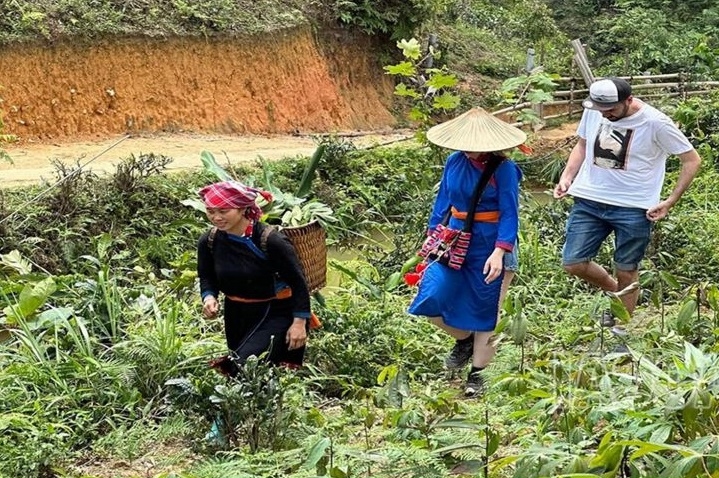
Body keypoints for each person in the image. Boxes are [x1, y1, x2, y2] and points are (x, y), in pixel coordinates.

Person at [553, 77, 701, 335]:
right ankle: (615, 292)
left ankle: (621, 331)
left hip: (633, 207)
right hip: (589, 199)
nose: (605, 114)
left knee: (627, 269)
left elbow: (691, 160)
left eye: (610, 109)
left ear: (629, 100)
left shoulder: (655, 122)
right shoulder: (594, 111)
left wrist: (670, 201)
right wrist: (567, 177)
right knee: (573, 262)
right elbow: (583, 144)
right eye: (601, 109)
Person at [408, 107, 526, 397]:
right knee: (430, 296)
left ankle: (478, 374)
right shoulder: (454, 161)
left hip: (492, 245)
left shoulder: (505, 169)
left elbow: (510, 213)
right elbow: (442, 203)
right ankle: (464, 339)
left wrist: (500, 252)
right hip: (454, 242)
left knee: (489, 308)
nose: (469, 150)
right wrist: (431, 239)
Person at [197, 180, 312, 372]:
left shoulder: (271, 240)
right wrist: (209, 296)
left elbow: (298, 282)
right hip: (236, 313)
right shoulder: (209, 241)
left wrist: (299, 322)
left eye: (224, 211)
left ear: (242, 209)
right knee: (252, 374)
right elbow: (206, 275)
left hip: (276, 311)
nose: (216, 217)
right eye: (211, 211)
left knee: (243, 367)